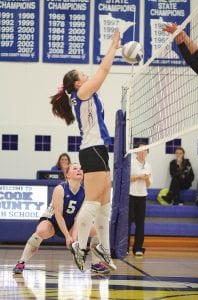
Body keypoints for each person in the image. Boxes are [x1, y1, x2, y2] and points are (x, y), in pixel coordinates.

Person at [50, 30, 121, 271]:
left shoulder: (80, 95)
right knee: (92, 203)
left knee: (104, 204)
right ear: (78, 83)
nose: (87, 74)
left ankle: (104, 249)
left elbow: (99, 74)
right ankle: (80, 246)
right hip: (93, 150)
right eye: (82, 74)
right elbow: (104, 71)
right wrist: (113, 47)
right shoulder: (82, 93)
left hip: (96, 150)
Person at [13, 163, 109, 275]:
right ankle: (21, 262)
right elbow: (58, 215)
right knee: (41, 231)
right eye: (75, 168)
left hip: (71, 222)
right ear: (67, 175)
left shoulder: (86, 192)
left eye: (80, 169)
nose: (79, 170)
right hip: (53, 221)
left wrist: (74, 239)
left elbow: (79, 218)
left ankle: (95, 264)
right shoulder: (60, 189)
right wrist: (67, 236)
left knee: (97, 230)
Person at [128, 144, 152, 256]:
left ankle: (137, 248)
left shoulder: (148, 165)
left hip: (142, 196)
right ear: (136, 152)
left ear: (147, 152)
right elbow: (126, 179)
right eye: (140, 150)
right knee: (127, 223)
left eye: (145, 150)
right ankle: (124, 248)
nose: (143, 152)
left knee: (140, 224)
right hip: (131, 196)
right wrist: (139, 177)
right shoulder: (131, 163)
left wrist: (146, 179)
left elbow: (148, 185)